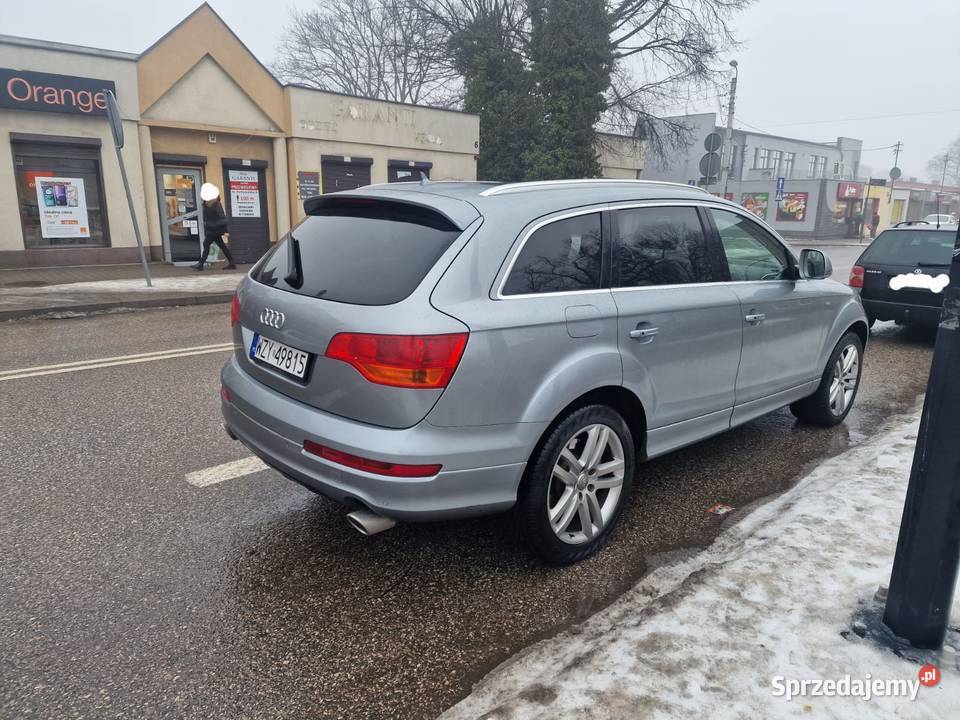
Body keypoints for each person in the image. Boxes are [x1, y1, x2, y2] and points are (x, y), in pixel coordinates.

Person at [193, 183, 236, 270]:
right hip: (211, 229)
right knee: (222, 246)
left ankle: (200, 264)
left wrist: (226, 230)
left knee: (206, 244)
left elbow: (222, 217)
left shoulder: (217, 204)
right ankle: (232, 263)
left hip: (214, 230)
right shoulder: (206, 204)